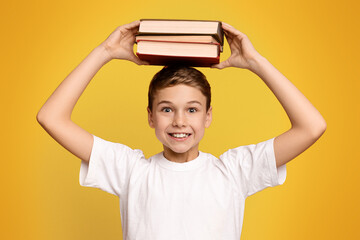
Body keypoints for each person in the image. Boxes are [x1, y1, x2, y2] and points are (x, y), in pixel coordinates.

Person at [36, 20, 326, 239]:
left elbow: (312, 127)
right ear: (151, 117)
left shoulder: (235, 172)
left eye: (192, 109)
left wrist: (255, 62)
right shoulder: (131, 171)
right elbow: (51, 117)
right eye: (166, 109)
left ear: (207, 116)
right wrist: (105, 52)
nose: (179, 121)